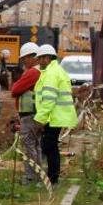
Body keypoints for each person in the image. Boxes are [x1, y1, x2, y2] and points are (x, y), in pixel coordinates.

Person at [33, 45, 78, 186]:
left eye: (40, 58)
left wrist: (40, 120)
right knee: (50, 147)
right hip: (56, 116)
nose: (39, 61)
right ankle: (52, 178)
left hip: (54, 117)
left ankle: (52, 179)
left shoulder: (51, 74)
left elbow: (48, 100)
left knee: (49, 147)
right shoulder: (56, 71)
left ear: (47, 58)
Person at [10, 42, 42, 184]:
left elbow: (15, 90)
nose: (24, 61)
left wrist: (19, 80)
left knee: (29, 145)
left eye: (25, 58)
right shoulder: (39, 71)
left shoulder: (33, 72)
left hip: (29, 114)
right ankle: (39, 174)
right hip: (34, 114)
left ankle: (30, 177)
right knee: (35, 145)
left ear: (33, 57)